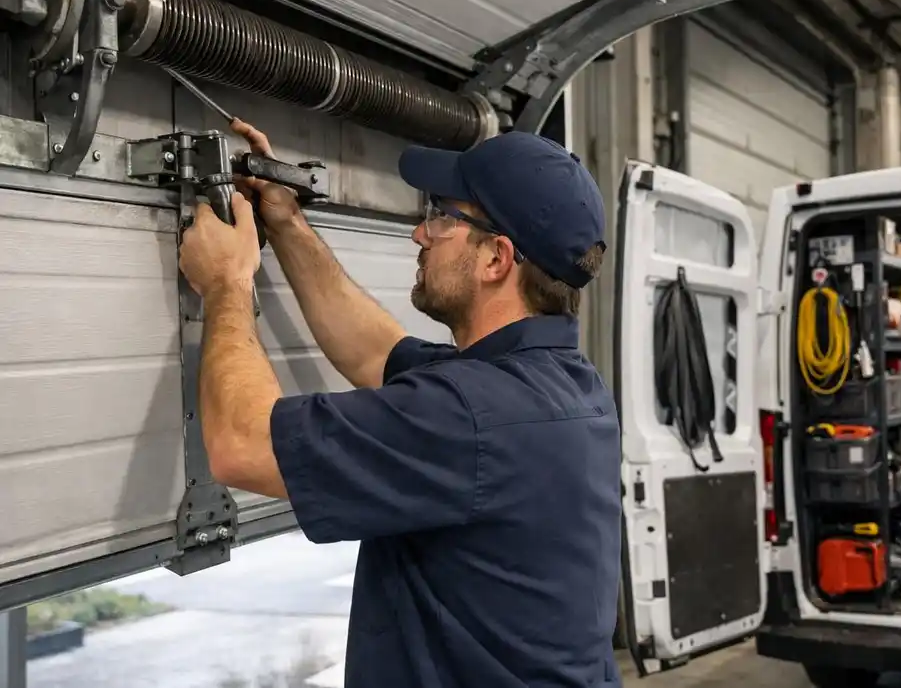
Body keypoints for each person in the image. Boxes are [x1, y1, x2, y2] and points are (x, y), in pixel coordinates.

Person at [177, 118, 623, 688]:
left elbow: (241, 445)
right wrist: (286, 222)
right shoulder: (561, 386)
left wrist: (227, 282)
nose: (419, 234)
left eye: (443, 217)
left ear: (496, 258)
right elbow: (374, 351)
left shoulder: (473, 415)